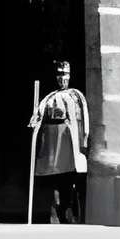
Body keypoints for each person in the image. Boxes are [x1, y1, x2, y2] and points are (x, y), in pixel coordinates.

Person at [28, 57, 89, 223]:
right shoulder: (49, 99)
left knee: (71, 176)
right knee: (54, 176)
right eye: (59, 76)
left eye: (65, 76)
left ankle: (70, 210)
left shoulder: (76, 96)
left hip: (70, 141)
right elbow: (39, 115)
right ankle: (55, 210)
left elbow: (83, 119)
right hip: (53, 142)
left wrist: (84, 139)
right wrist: (35, 122)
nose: (62, 80)